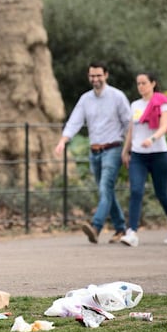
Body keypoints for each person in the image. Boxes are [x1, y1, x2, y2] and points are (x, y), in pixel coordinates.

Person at [55, 62, 131, 244]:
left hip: (113, 148)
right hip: (94, 151)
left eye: (98, 75)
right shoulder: (85, 99)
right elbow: (75, 121)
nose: (95, 79)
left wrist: (128, 150)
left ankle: (96, 227)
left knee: (105, 187)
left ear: (106, 75)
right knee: (106, 191)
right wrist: (63, 140)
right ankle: (121, 228)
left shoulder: (117, 97)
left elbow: (130, 123)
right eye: (92, 76)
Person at [119, 72, 167, 247]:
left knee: (162, 194)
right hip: (138, 155)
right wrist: (126, 151)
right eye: (138, 83)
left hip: (159, 155)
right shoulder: (135, 105)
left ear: (153, 83)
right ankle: (131, 232)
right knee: (136, 191)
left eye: (144, 83)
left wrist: (152, 139)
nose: (141, 86)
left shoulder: (163, 103)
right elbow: (131, 131)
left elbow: (164, 126)